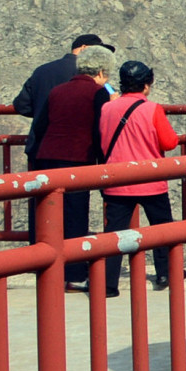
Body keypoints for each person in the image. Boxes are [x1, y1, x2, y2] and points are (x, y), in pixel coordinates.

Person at [98, 60, 186, 293]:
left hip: (117, 180)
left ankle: (108, 284)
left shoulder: (107, 108)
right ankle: (165, 273)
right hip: (150, 180)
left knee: (114, 234)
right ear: (146, 85)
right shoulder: (152, 108)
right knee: (161, 228)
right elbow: (169, 142)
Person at [14, 33, 113, 239]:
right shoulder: (96, 87)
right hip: (77, 155)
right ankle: (72, 267)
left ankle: (40, 260)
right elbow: (100, 127)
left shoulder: (43, 72)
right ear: (84, 49)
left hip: (41, 151)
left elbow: (21, 104)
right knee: (74, 214)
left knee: (42, 209)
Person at [37, 46, 115, 291]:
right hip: (76, 160)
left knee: (51, 219)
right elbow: (98, 131)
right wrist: (103, 166)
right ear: (101, 71)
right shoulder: (98, 93)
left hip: (48, 158)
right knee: (75, 217)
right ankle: (74, 274)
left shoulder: (57, 91)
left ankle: (48, 269)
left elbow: (41, 124)